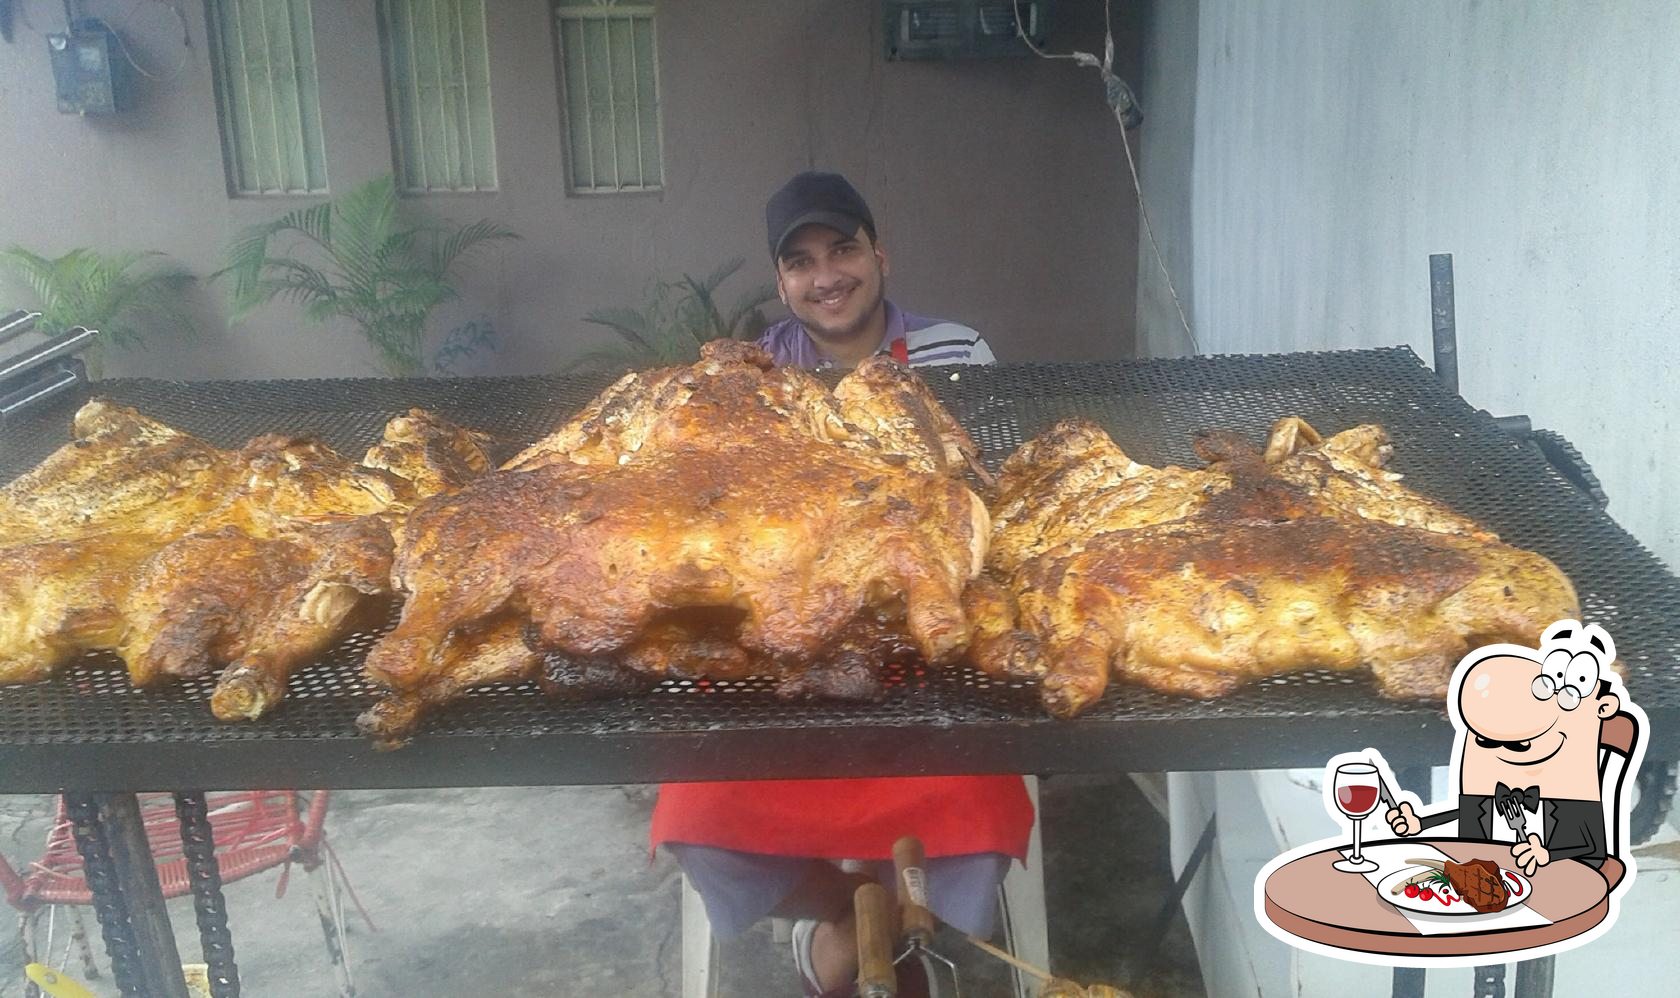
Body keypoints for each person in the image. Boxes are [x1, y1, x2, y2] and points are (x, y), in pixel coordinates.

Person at [649, 172, 1031, 997]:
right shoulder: (751, 379)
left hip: (926, 654)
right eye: (801, 262)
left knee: (981, 808)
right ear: (781, 282)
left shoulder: (959, 351)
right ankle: (856, 913)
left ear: (878, 255)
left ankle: (863, 946)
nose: (827, 276)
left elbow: (991, 494)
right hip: (785, 653)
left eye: (843, 249)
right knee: (697, 813)